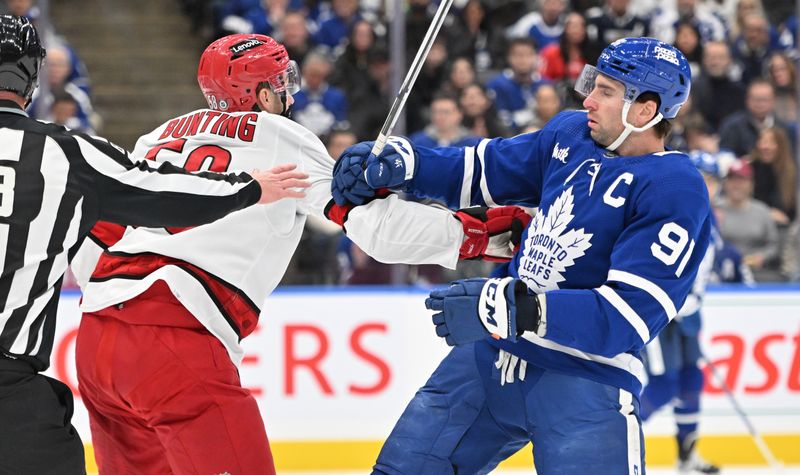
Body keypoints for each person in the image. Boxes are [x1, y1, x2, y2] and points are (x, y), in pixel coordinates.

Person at [73, 34, 531, 475]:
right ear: (265, 94)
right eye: (281, 83)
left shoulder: (158, 136)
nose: (288, 94)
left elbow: (92, 238)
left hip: (96, 342)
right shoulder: (278, 136)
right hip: (176, 334)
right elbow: (377, 229)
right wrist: (477, 235)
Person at [332, 37, 712, 474]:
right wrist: (407, 164)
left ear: (645, 110)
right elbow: (480, 169)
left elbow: (628, 316)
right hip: (493, 356)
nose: (587, 99)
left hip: (584, 375)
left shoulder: (674, 187)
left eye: (605, 92)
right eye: (593, 84)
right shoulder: (570, 133)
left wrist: (514, 308)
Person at [0, 15, 309, 474]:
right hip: (15, 395)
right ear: (29, 79)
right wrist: (248, 188)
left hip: (89, 352)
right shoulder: (62, 154)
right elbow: (158, 193)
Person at [639, 151, 722, 474]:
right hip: (662, 313)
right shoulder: (672, 209)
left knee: (691, 378)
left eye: (713, 180)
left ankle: (687, 456)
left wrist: (692, 301)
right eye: (703, 177)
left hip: (689, 313)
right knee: (664, 384)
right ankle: (610, 442)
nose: (708, 186)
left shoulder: (710, 217)